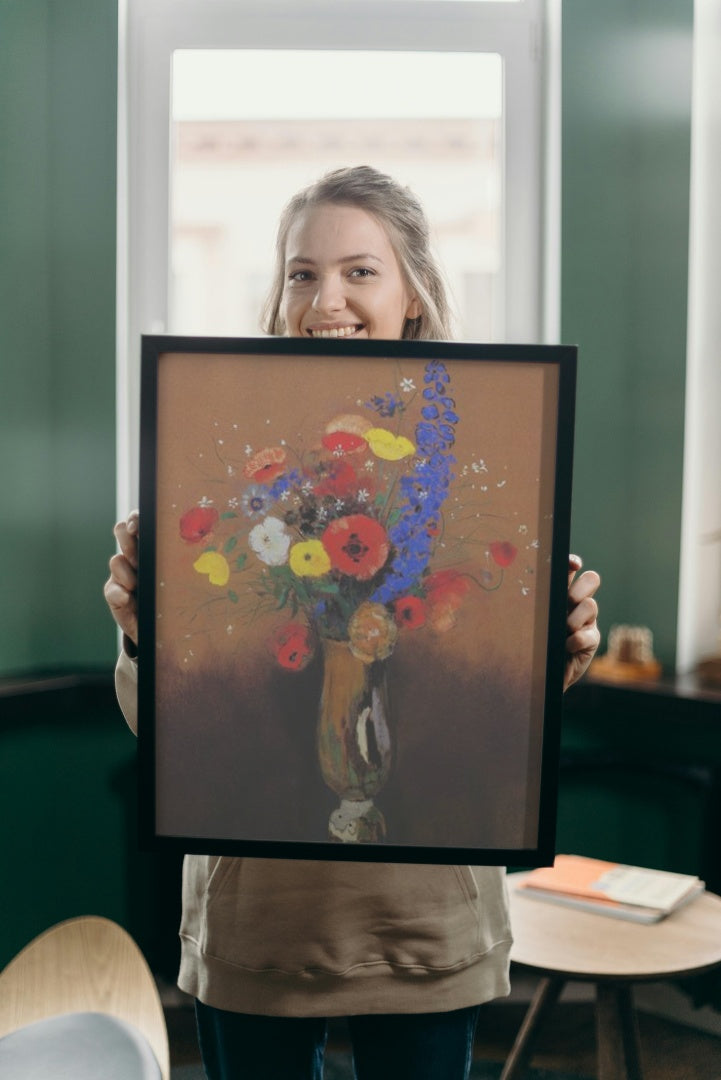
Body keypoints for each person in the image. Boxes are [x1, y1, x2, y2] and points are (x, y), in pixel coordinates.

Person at [105, 166, 601, 1080]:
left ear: (412, 292)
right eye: (301, 272)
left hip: (422, 921)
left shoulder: (488, 452)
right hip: (259, 922)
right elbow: (170, 728)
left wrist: (557, 647)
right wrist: (144, 635)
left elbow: (500, 712)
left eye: (358, 271)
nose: (324, 298)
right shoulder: (221, 457)